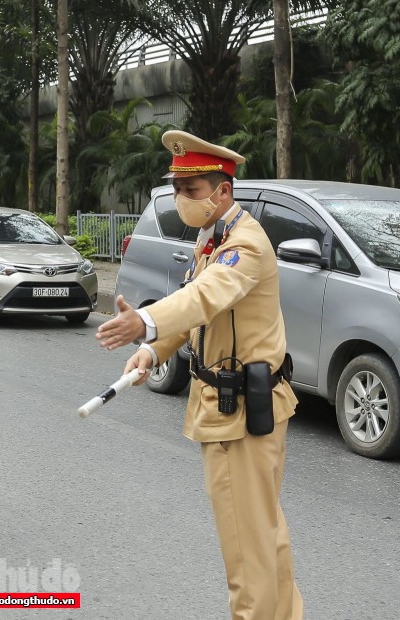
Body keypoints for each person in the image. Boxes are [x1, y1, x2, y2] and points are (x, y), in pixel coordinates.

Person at [96, 130, 302, 620]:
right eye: (177, 190)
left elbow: (202, 297)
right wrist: (154, 350)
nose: (180, 200)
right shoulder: (215, 238)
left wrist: (144, 320)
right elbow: (198, 313)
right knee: (263, 534)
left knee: (245, 548)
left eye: (189, 191)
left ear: (221, 190)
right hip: (240, 408)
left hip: (240, 416)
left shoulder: (244, 246)